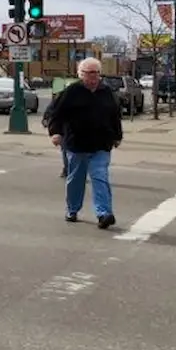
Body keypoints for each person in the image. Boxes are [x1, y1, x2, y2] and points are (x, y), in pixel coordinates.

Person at [47, 57, 123, 229]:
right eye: (89, 73)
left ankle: (104, 213)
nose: (93, 77)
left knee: (100, 177)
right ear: (81, 74)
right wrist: (56, 133)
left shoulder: (106, 92)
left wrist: (117, 136)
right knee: (76, 179)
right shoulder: (71, 91)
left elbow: (114, 116)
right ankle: (72, 209)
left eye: (96, 73)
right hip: (76, 143)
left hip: (101, 143)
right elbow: (56, 114)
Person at [42, 86, 69, 178]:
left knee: (67, 150)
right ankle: (67, 169)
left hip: (66, 129)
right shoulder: (61, 97)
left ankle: (68, 170)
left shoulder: (61, 96)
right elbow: (51, 111)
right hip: (65, 129)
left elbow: (50, 110)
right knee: (67, 150)